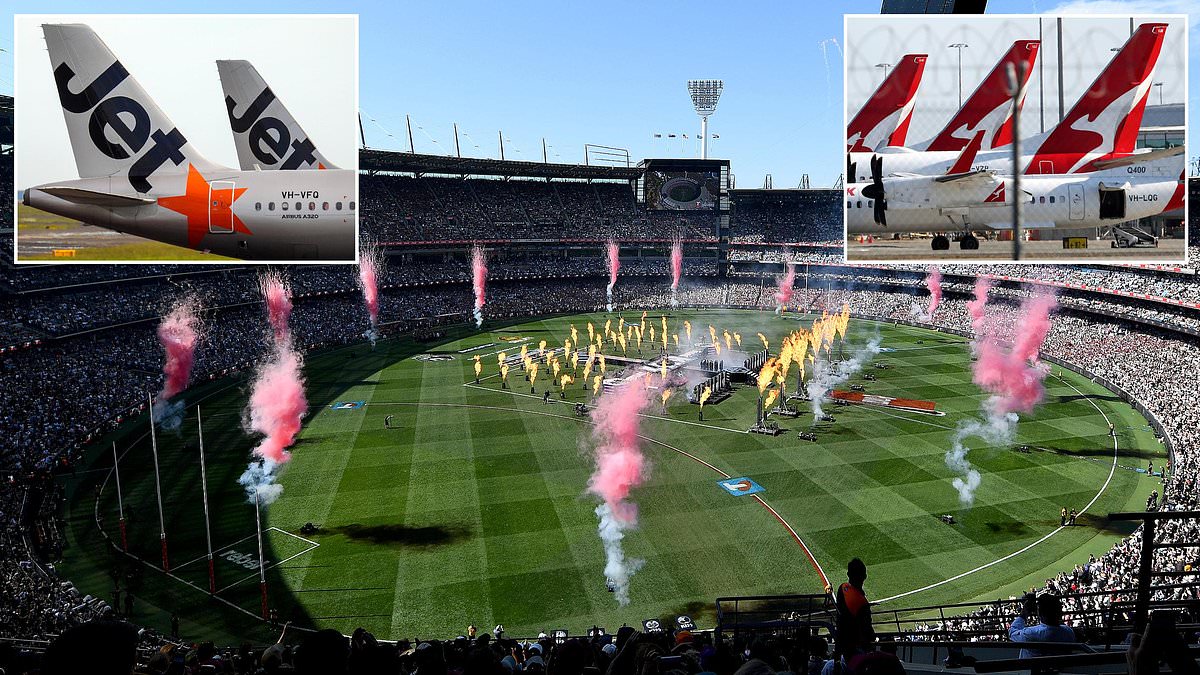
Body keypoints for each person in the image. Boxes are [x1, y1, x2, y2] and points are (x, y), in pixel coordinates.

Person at [1009, 593, 1075, 659]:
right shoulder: (1068, 631)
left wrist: (1023, 614)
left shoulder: (1030, 633)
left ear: (1040, 613)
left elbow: (1012, 633)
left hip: (1032, 668)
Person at [835, 558, 875, 658]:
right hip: (855, 651)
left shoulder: (842, 588)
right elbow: (868, 632)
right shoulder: (862, 603)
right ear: (864, 576)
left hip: (841, 644)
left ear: (848, 574)